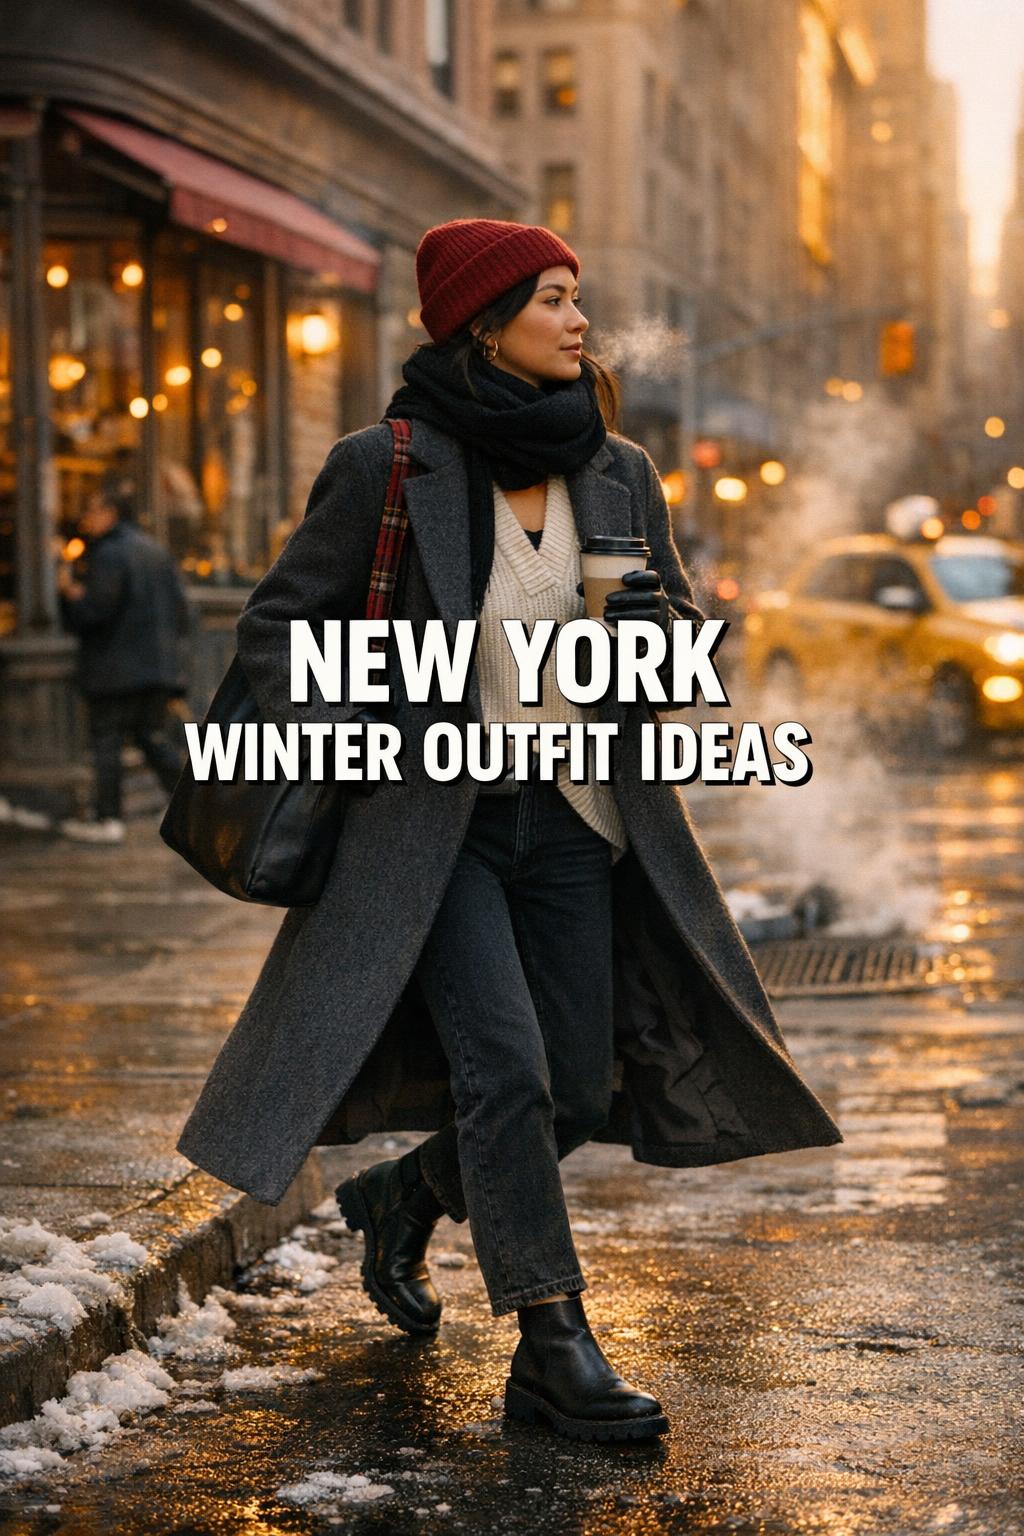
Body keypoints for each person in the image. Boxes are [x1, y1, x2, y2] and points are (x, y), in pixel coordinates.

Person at [176, 219, 842, 1444]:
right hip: (440, 836)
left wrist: (651, 635)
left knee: (576, 1088)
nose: (579, 320)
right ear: (483, 325)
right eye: (551, 298)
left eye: (578, 296)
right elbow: (276, 629)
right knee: (509, 1072)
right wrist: (387, 708)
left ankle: (401, 1196)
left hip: (578, 821)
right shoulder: (384, 468)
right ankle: (551, 1343)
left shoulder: (618, 469)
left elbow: (681, 641)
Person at [58, 476, 191, 844]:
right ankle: (191, 804)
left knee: (107, 741)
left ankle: (108, 818)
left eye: (92, 510)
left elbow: (96, 610)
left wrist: (70, 595)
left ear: (110, 513)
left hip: (116, 668)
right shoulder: (156, 551)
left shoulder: (108, 554)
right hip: (158, 667)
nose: (86, 518)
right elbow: (182, 610)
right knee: (150, 737)